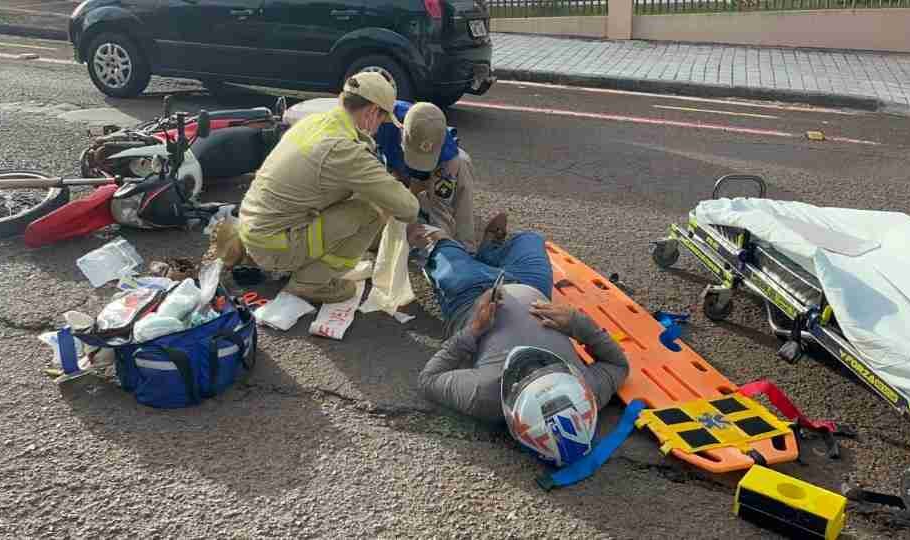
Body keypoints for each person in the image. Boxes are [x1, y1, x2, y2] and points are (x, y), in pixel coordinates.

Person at [413, 214, 630, 467]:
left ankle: (450, 241)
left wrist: (473, 330)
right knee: (530, 238)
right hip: (532, 285)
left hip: (468, 294)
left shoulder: (482, 395)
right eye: (547, 366)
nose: (532, 362)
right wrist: (577, 324)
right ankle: (488, 252)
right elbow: (619, 366)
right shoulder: (585, 394)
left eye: (524, 375)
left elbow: (428, 379)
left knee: (435, 241)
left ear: (511, 411)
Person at [237, 72, 420, 303]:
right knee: (371, 211)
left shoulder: (314, 122)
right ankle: (311, 282)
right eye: (382, 121)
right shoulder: (343, 150)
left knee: (353, 200)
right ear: (372, 112)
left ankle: (285, 260)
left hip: (252, 228)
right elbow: (408, 208)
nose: (378, 128)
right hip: (275, 245)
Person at [376, 101, 477, 252]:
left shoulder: (444, 144)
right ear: (402, 131)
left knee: (462, 164)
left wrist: (441, 241)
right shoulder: (382, 119)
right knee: (387, 218)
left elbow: (441, 205)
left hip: (434, 172)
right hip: (399, 172)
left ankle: (464, 249)